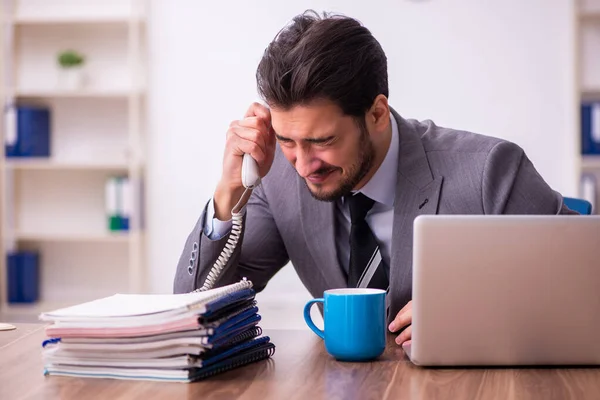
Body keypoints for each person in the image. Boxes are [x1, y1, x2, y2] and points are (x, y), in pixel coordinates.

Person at [173, 10, 576, 349]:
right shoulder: (278, 179)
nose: (303, 164)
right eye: (286, 140)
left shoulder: (489, 172)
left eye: (323, 140)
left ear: (377, 113)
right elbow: (196, 313)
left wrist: (481, 310)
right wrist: (229, 192)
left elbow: (582, 287)